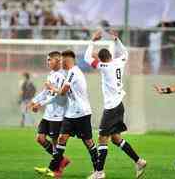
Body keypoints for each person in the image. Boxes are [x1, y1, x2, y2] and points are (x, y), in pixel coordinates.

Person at [84, 30, 147, 179]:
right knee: (115, 138)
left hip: (112, 107)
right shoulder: (119, 62)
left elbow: (87, 58)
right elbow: (125, 52)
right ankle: (139, 161)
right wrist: (117, 40)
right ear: (111, 56)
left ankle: (99, 172)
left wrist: (92, 41)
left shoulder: (104, 67)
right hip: (119, 105)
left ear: (101, 59)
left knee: (102, 138)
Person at [41, 50, 99, 178]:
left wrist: (51, 87)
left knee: (88, 142)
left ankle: (98, 170)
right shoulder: (69, 73)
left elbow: (63, 92)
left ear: (68, 60)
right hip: (71, 113)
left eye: (62, 60)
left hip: (82, 113)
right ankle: (53, 170)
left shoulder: (74, 72)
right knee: (62, 138)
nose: (60, 62)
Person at [27, 51, 69, 174]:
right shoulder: (51, 74)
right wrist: (34, 100)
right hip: (48, 114)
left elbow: (58, 96)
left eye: (49, 60)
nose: (47, 62)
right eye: (47, 60)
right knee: (40, 138)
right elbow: (46, 92)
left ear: (57, 60)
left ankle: (56, 170)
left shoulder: (62, 76)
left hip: (58, 114)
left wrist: (41, 104)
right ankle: (61, 160)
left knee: (56, 142)